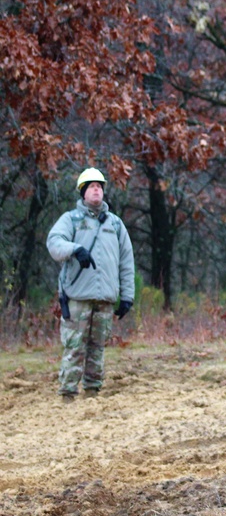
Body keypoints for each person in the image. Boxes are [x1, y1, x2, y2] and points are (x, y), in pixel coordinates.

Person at [47, 167, 135, 403]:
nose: (96, 190)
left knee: (98, 347)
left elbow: (126, 261)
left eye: (100, 186)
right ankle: (67, 395)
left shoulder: (115, 225)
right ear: (83, 192)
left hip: (105, 299)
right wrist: (75, 249)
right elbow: (54, 243)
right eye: (92, 186)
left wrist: (127, 296)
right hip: (77, 297)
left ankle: (93, 393)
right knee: (75, 347)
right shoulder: (70, 220)